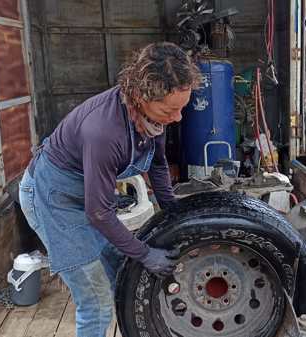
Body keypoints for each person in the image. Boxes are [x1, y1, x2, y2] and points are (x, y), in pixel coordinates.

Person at [18, 42, 201, 337]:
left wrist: (172, 211)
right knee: (96, 300)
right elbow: (99, 212)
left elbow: (157, 161)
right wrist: (145, 253)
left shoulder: (152, 116)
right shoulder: (104, 131)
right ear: (142, 95)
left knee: (122, 275)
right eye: (171, 110)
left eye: (182, 108)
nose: (178, 117)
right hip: (54, 199)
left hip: (89, 197)